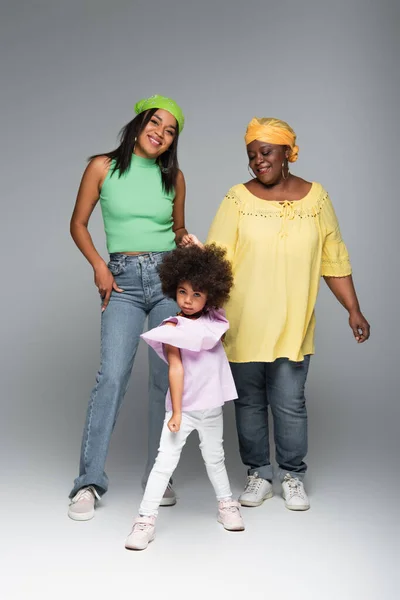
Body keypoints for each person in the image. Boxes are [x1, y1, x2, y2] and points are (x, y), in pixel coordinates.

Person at [186, 117, 370, 511]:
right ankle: (258, 474)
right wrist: (204, 315)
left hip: (293, 322)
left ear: (288, 151)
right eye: (251, 155)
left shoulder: (317, 199)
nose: (257, 161)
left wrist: (353, 308)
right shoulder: (238, 199)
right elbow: (216, 260)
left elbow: (333, 256)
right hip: (243, 321)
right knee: (249, 402)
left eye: (265, 152)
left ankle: (292, 475)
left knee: (290, 402)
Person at [68, 95, 188, 520]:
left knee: (164, 379)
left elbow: (176, 230)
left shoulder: (173, 177)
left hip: (167, 280)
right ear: (139, 123)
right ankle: (88, 483)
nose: (160, 132)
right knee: (112, 377)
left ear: (173, 141)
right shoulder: (103, 167)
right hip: (120, 280)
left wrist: (186, 239)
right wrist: (100, 266)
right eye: (155, 122)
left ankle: (160, 474)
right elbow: (78, 223)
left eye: (170, 130)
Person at [125, 244, 245, 551]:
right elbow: (175, 370)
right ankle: (145, 520)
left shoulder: (215, 319)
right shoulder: (172, 328)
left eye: (197, 294)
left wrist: (202, 251)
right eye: (182, 292)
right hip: (184, 409)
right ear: (173, 289)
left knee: (215, 458)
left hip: (212, 407)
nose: (188, 301)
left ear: (210, 295)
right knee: (164, 463)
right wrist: (177, 412)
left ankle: (226, 505)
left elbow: (217, 269)